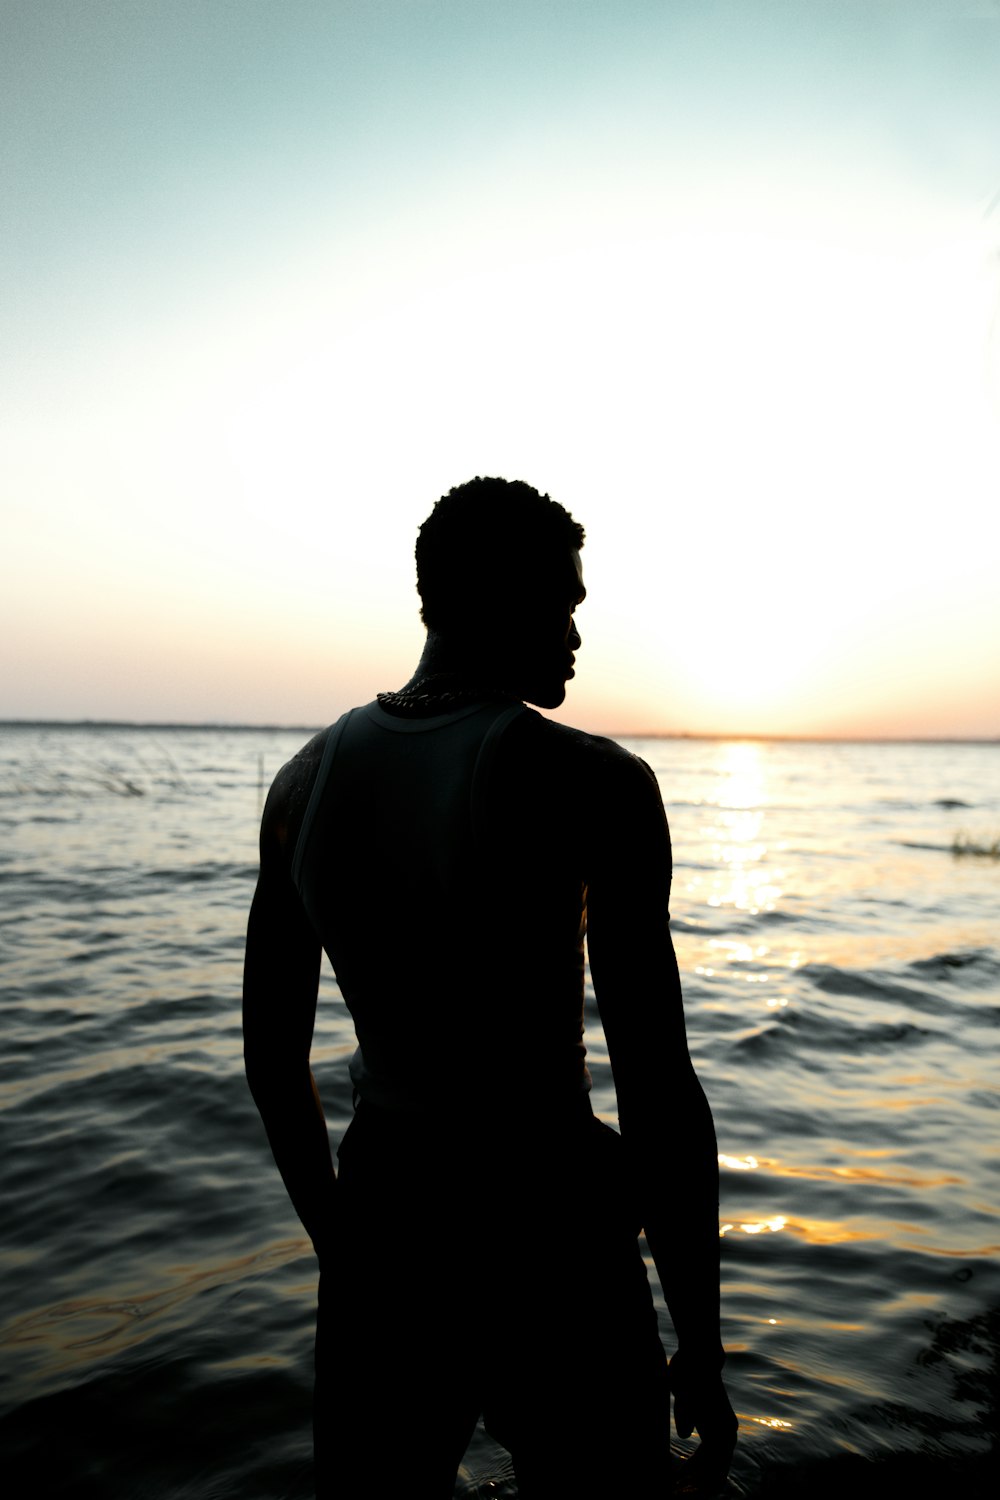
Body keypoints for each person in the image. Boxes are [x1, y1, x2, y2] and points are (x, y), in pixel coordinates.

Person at [243, 477, 737, 1498]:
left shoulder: (302, 783)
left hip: (386, 1203)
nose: (574, 632)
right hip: (548, 1215)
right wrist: (700, 1338)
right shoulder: (594, 781)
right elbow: (656, 1083)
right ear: (478, 600)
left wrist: (345, 1245)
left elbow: (270, 1058)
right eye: (559, 602)